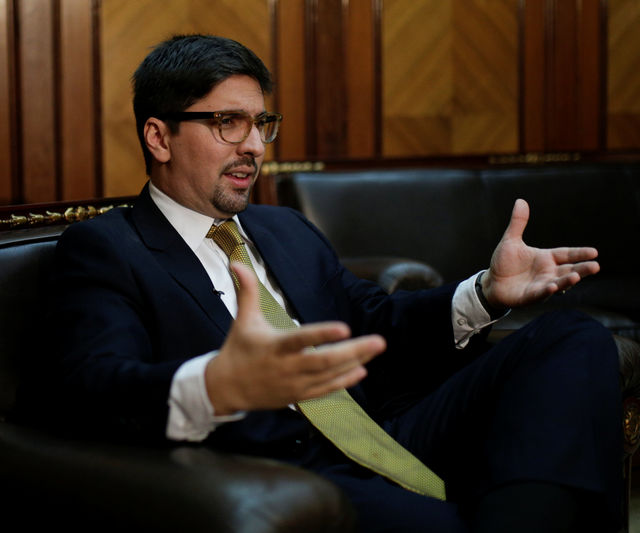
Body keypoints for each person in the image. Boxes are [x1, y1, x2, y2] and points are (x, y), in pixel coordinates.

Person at [44, 34, 621, 532]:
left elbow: (374, 321)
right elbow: (94, 388)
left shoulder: (284, 228)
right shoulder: (106, 249)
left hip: (382, 432)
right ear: (159, 137)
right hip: (280, 470)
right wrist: (217, 385)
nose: (253, 146)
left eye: (260, 123)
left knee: (573, 337)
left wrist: (485, 293)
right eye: (227, 123)